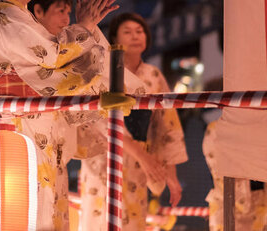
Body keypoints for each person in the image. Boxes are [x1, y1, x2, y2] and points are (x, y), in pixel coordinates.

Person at [0, 0, 122, 231]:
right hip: (13, 125)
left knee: (41, 205)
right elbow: (52, 57)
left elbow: (52, 58)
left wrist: (85, 27)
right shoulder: (4, 16)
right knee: (26, 209)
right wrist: (86, 26)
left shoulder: (16, 16)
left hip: (29, 122)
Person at [79, 12, 188, 231]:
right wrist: (144, 157)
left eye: (139, 31)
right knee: (99, 216)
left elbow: (168, 125)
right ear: (115, 39)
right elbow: (98, 122)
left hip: (140, 161)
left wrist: (171, 176)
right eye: (127, 32)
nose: (135, 36)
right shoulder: (102, 72)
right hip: (104, 155)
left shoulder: (153, 75)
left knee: (134, 221)